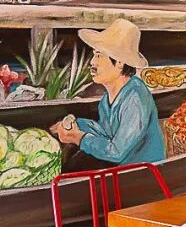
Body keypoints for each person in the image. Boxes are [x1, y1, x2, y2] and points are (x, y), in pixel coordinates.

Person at [51, 18, 165, 164]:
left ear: (119, 63)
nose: (92, 62)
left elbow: (116, 151)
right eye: (94, 55)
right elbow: (105, 133)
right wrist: (76, 125)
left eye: (99, 55)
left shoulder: (135, 98)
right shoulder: (107, 99)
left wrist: (78, 137)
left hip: (144, 171)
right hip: (121, 167)